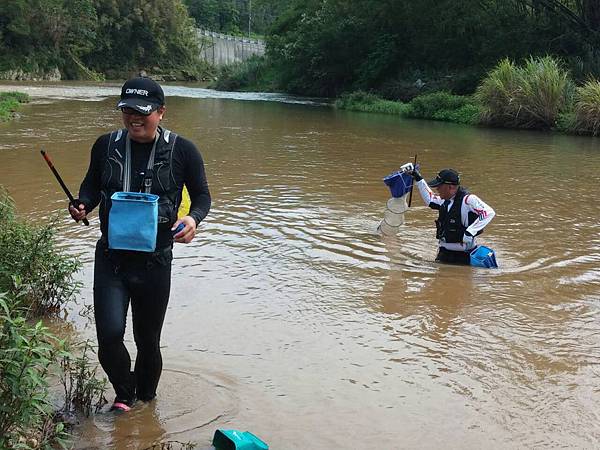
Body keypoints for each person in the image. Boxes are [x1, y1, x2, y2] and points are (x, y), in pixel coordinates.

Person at [69, 77, 211, 412]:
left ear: (161, 112)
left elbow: (203, 197)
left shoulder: (184, 151)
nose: (135, 117)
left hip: (155, 263)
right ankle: (125, 394)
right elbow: (90, 187)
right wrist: (81, 205)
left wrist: (193, 220)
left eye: (143, 111)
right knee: (109, 336)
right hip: (111, 260)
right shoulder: (105, 145)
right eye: (128, 110)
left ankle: (146, 404)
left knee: (148, 343)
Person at [408, 166, 495, 265]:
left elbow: (488, 212)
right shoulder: (444, 200)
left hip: (464, 256)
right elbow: (430, 199)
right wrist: (418, 178)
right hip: (444, 254)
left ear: (450, 187)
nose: (437, 189)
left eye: (439, 186)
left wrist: (470, 232)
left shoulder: (468, 200)